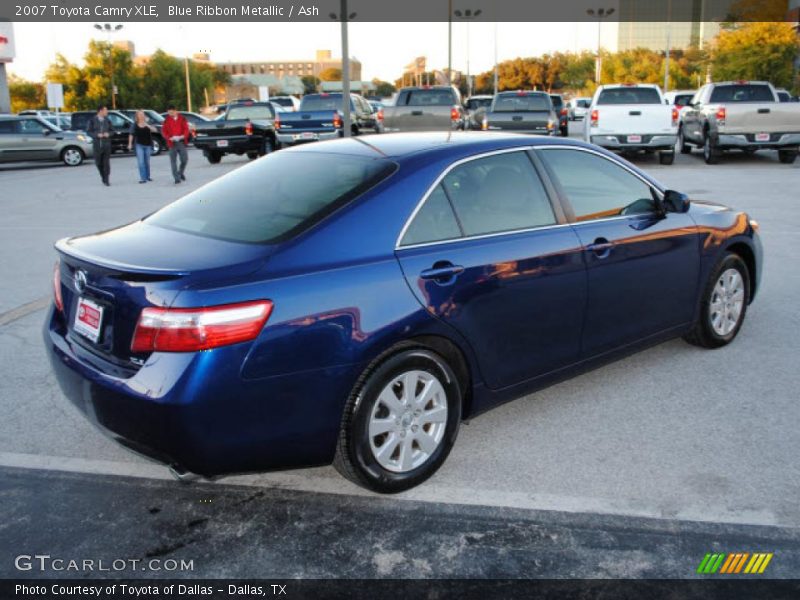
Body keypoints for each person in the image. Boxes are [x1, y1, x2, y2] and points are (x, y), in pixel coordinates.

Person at [162, 105, 190, 184]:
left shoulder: (182, 119)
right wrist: (169, 138)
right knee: (173, 161)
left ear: (175, 111)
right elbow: (164, 131)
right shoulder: (166, 120)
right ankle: (176, 178)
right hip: (172, 143)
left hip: (181, 142)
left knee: (184, 159)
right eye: (169, 112)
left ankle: (180, 173)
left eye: (172, 112)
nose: (170, 114)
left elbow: (186, 129)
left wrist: (183, 136)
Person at [127, 110, 156, 183]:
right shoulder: (134, 124)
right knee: (141, 162)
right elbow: (131, 134)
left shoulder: (148, 122)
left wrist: (147, 125)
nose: (141, 116)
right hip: (139, 144)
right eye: (140, 114)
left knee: (147, 162)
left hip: (148, 144)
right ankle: (143, 178)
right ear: (137, 116)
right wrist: (130, 144)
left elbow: (155, 130)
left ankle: (147, 176)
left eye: (142, 114)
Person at [86, 105, 112, 186]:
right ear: (100, 111)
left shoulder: (107, 120)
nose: (107, 112)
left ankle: (107, 179)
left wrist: (109, 134)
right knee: (99, 163)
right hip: (97, 145)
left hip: (106, 145)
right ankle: (103, 176)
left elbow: (113, 130)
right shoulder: (92, 120)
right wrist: (97, 135)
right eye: (105, 110)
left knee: (106, 163)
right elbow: (88, 132)